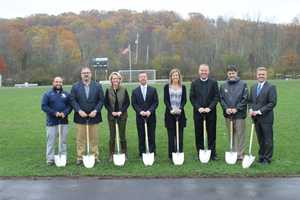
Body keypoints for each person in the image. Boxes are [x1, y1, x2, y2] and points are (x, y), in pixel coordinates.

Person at [70, 67, 104, 165]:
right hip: (80, 116)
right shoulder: (75, 86)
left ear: (91, 74)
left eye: (87, 73)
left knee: (94, 138)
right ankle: (80, 157)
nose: (86, 74)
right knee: (80, 138)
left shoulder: (97, 86)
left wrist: (96, 110)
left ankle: (95, 156)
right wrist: (79, 110)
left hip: (94, 117)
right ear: (81, 75)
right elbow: (72, 100)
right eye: (84, 73)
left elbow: (101, 100)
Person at [190, 64, 219, 160]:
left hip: (211, 113)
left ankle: (212, 153)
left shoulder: (213, 82)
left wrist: (209, 108)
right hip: (198, 113)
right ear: (199, 71)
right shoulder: (194, 83)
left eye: (205, 70)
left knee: (211, 133)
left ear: (208, 71)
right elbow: (192, 97)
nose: (203, 72)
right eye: (202, 70)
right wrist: (199, 108)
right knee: (199, 133)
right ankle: (200, 152)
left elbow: (216, 97)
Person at [249, 67, 277, 164]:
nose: (261, 76)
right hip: (255, 118)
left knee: (267, 139)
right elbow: (250, 101)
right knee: (260, 139)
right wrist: (251, 109)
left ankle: (267, 158)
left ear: (266, 75)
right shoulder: (253, 87)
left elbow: (272, 103)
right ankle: (261, 156)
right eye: (259, 74)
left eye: (263, 74)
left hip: (266, 118)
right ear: (256, 75)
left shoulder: (271, 87)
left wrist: (259, 111)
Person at [41, 77, 72, 166]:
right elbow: (44, 106)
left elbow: (70, 106)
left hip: (63, 121)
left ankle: (62, 156)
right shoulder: (47, 94)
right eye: (56, 82)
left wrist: (64, 113)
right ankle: (50, 159)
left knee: (63, 141)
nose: (58, 83)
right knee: (51, 141)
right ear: (53, 83)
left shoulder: (66, 94)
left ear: (62, 83)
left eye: (60, 82)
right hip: (51, 122)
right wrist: (55, 113)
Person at [219, 65, 248, 160]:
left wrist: (237, 108)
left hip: (239, 114)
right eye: (230, 73)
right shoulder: (223, 85)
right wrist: (226, 108)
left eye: (233, 73)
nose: (231, 75)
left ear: (237, 73)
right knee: (232, 133)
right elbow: (221, 99)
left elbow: (245, 98)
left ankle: (240, 154)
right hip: (228, 114)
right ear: (227, 74)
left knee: (240, 134)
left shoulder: (243, 84)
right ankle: (234, 152)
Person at [131, 71, 159, 158]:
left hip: (151, 116)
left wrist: (149, 111)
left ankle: (152, 151)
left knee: (151, 134)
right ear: (139, 79)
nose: (143, 78)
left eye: (144, 77)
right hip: (140, 117)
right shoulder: (135, 91)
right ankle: (142, 152)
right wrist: (140, 112)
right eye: (141, 77)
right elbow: (134, 104)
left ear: (147, 78)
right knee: (141, 134)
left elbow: (155, 102)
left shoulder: (153, 90)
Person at [104, 72, 130, 161]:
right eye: (113, 78)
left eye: (117, 78)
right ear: (111, 80)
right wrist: (112, 112)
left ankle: (124, 152)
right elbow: (106, 103)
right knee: (112, 136)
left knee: (122, 135)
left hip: (122, 116)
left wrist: (120, 112)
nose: (115, 80)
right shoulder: (108, 90)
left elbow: (127, 103)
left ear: (119, 80)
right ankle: (111, 154)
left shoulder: (124, 89)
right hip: (111, 116)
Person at [163, 68, 187, 160]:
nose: (175, 77)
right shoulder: (166, 87)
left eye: (177, 75)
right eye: (173, 75)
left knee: (180, 135)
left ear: (179, 76)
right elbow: (165, 100)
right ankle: (171, 154)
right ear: (171, 77)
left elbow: (184, 100)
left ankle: (179, 152)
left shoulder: (183, 87)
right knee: (171, 135)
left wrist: (180, 108)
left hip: (180, 114)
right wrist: (170, 109)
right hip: (170, 114)